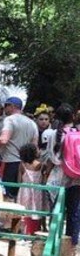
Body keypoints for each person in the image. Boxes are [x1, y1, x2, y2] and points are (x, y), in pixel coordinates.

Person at [43, 104, 80, 247]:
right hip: (76, 177)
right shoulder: (77, 132)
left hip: (58, 177)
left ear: (56, 117)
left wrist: (46, 173)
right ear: (72, 117)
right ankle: (72, 245)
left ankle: (54, 243)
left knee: (56, 211)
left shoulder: (54, 134)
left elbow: (51, 158)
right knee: (74, 212)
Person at [0, 97, 38, 199]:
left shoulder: (9, 120)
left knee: (5, 194)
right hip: (26, 165)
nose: (4, 108)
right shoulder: (32, 123)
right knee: (19, 195)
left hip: (10, 163)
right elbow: (34, 147)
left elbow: (3, 140)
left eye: (6, 105)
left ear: (13, 106)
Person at [17, 143, 46, 235]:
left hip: (24, 190)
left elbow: (19, 181)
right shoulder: (41, 165)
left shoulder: (22, 165)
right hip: (37, 191)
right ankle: (36, 230)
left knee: (24, 210)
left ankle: (24, 231)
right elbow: (44, 181)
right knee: (36, 209)